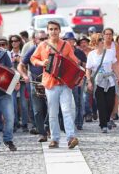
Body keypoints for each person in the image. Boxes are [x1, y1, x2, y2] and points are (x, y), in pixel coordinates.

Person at [31, 20, 79, 149]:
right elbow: (33, 59)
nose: (53, 31)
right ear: (48, 31)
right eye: (51, 29)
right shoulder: (42, 45)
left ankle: (71, 138)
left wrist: (78, 68)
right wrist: (42, 63)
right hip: (50, 83)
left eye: (55, 29)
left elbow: (74, 60)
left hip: (64, 83)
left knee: (66, 111)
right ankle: (55, 139)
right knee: (52, 112)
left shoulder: (66, 45)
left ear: (59, 30)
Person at [86, 33, 119, 133]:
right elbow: (88, 69)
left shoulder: (109, 52)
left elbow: (114, 66)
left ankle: (106, 119)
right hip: (98, 82)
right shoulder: (91, 54)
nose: (103, 41)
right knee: (101, 104)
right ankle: (103, 125)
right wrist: (89, 82)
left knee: (110, 103)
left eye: (102, 39)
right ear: (95, 42)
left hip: (110, 80)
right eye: (100, 39)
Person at [18, 30, 48, 142]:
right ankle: (42, 133)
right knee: (37, 110)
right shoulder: (32, 50)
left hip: (49, 83)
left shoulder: (51, 48)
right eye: (41, 39)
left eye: (45, 38)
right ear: (35, 40)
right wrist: (25, 76)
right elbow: (20, 66)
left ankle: (47, 127)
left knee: (52, 108)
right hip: (36, 83)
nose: (44, 41)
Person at [63, 32, 87, 130]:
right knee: (66, 101)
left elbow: (85, 66)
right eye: (67, 40)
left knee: (79, 101)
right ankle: (66, 123)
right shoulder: (62, 52)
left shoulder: (79, 52)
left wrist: (82, 78)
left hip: (78, 79)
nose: (69, 42)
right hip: (66, 79)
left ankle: (79, 122)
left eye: (71, 40)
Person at [9, 35, 28, 132]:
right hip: (12, 82)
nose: (14, 43)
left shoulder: (23, 53)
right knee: (13, 104)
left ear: (19, 42)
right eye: (12, 41)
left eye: (16, 41)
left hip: (22, 81)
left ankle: (24, 124)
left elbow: (27, 65)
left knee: (24, 104)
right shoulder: (8, 54)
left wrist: (20, 60)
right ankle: (15, 123)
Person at [103, 28, 119, 129]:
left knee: (114, 96)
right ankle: (105, 117)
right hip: (102, 74)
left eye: (110, 34)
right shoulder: (101, 45)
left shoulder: (116, 46)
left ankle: (111, 117)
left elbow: (118, 61)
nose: (109, 36)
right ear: (103, 35)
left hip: (113, 74)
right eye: (107, 34)